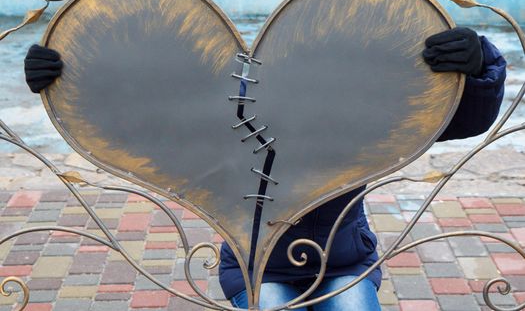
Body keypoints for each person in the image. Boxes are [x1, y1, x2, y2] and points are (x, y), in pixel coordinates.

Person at [24, 27, 506, 310]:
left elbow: (458, 119)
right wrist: (65, 78)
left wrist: (480, 59)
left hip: (344, 260)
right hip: (254, 266)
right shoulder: (232, 115)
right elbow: (139, 121)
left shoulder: (355, 113)